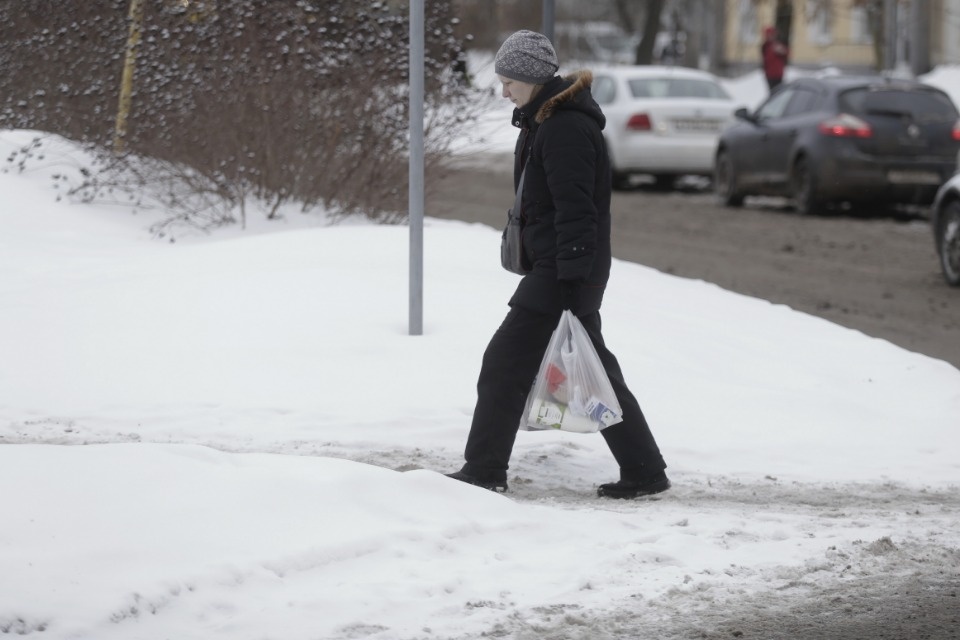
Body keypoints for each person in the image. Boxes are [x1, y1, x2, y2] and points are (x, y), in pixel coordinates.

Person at [445, 30, 669, 499]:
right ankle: (645, 470)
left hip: (563, 272)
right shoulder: (545, 121)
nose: (504, 91)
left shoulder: (564, 127)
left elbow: (577, 209)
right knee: (595, 372)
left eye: (508, 81)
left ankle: (484, 470)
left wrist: (569, 279)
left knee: (504, 364)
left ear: (529, 77)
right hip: (566, 269)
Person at [761, 26, 789, 92]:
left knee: (778, 92)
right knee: (772, 92)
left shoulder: (780, 43)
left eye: (772, 34)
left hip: (778, 74)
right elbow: (765, 59)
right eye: (768, 35)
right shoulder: (765, 46)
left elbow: (787, 52)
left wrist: (782, 51)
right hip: (769, 74)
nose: (770, 36)